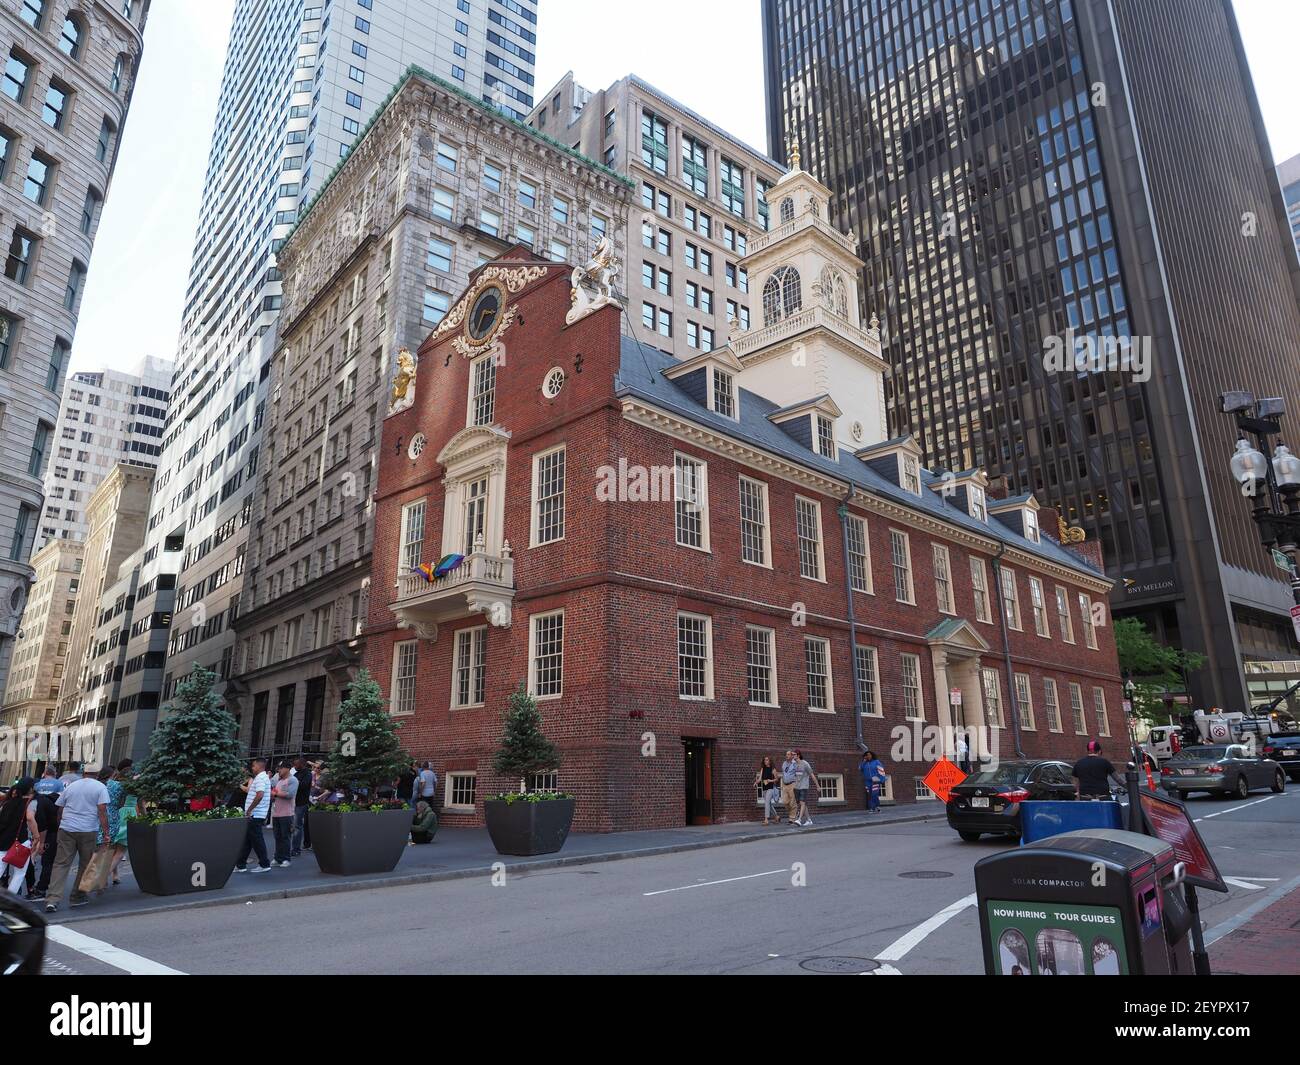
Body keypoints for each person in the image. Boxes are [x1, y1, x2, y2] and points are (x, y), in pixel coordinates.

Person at [43, 771, 110, 913]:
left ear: (84, 773)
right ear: (97, 774)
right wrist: (106, 833)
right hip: (88, 829)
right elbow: (102, 811)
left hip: (67, 828)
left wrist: (61, 824)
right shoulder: (100, 787)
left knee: (61, 864)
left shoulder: (72, 786)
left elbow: (60, 809)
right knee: (85, 864)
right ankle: (77, 896)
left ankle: (52, 899)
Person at [0, 778, 40, 898]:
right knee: (19, 874)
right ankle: (7, 904)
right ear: (30, 789)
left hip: (3, 841)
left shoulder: (7, 803)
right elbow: (29, 818)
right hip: (20, 842)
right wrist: (37, 836)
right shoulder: (30, 802)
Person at [234, 758, 272, 873]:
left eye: (254, 766)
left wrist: (250, 809)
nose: (252, 768)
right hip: (256, 814)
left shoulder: (260, 778)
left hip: (255, 814)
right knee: (249, 840)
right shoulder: (262, 777)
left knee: (256, 840)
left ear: (259, 766)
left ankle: (264, 864)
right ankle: (241, 865)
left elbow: (260, 794)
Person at [269, 762, 298, 867]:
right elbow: (275, 793)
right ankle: (278, 858)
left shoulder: (293, 780)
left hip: (287, 813)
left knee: (285, 837)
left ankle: (286, 859)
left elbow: (289, 794)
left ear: (287, 768)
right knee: (278, 837)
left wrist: (275, 794)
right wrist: (273, 795)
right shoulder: (279, 781)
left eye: (280, 768)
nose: (278, 770)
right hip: (277, 813)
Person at [291, 757, 312, 856]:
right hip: (294, 802)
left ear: (302, 764)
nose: (294, 766)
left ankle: (296, 849)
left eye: (296, 764)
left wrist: (295, 782)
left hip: (301, 803)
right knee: (295, 826)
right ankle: (295, 847)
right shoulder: (296, 774)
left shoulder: (307, 773)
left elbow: (304, 785)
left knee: (297, 826)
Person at [791, 749, 819, 826]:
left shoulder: (805, 764)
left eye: (794, 755)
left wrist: (817, 786)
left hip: (804, 786)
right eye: (792, 755)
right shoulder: (794, 764)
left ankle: (799, 820)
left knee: (802, 802)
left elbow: (812, 775)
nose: (792, 756)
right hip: (797, 787)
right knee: (802, 803)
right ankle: (809, 820)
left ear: (798, 755)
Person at [753, 756, 779, 825]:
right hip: (764, 788)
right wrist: (756, 782)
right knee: (769, 804)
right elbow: (760, 778)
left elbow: (777, 779)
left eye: (767, 760)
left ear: (770, 761)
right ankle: (776, 816)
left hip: (770, 788)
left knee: (767, 802)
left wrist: (771, 780)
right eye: (764, 760)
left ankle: (766, 819)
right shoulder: (763, 769)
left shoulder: (773, 769)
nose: (765, 761)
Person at [779, 750, 800, 825]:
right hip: (785, 784)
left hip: (792, 784)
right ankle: (795, 813)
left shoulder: (795, 764)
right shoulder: (784, 763)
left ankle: (792, 818)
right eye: (786, 754)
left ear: (791, 756)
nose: (786, 755)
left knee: (792, 802)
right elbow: (784, 773)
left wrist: (794, 758)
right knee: (785, 802)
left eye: (788, 754)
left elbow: (798, 772)